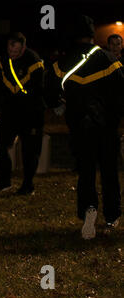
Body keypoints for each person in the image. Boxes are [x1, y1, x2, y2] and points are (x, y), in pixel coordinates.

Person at [45, 15, 123, 239]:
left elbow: (49, 90)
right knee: (109, 173)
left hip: (79, 126)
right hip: (106, 127)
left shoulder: (63, 62)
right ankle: (111, 216)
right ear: (91, 35)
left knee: (86, 172)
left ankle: (88, 208)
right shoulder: (108, 59)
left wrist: (58, 106)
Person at [0, 32, 46, 195]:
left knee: (29, 149)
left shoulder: (34, 62)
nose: (12, 54)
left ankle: (28, 184)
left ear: (23, 48)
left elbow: (38, 89)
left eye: (16, 52)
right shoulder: (3, 60)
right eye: (10, 50)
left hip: (31, 113)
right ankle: (4, 180)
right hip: (10, 111)